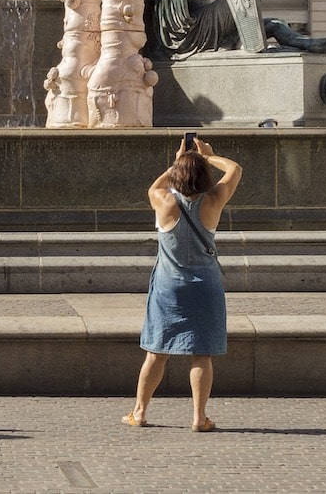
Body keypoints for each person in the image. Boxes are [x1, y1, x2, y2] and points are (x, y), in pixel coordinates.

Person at [127, 137, 240, 432]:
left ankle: (139, 412)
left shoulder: (163, 201)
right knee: (201, 353)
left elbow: (155, 186)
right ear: (205, 177)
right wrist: (209, 157)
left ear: (177, 175)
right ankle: (198, 417)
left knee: (156, 351)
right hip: (205, 286)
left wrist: (179, 161)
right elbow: (235, 169)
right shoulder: (214, 200)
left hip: (168, 287)